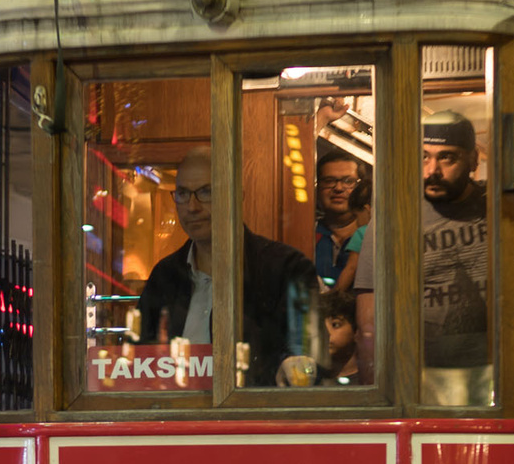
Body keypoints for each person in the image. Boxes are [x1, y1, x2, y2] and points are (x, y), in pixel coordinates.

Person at [135, 144, 321, 388]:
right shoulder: (164, 276)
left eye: (206, 192)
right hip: (175, 423)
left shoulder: (288, 268)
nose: (192, 207)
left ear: (237, 194)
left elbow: (310, 357)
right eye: (182, 193)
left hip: (256, 422)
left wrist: (296, 365)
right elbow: (137, 362)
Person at [418, 109, 493, 403]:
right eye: (424, 156)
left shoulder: (502, 212)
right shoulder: (395, 213)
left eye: (446, 157)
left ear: (473, 160)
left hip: (490, 376)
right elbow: (370, 309)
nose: (432, 170)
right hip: (420, 379)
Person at [311, 149, 370, 291]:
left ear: (361, 188)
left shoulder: (372, 237)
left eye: (348, 181)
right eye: (329, 181)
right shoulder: (306, 234)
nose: (338, 188)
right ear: (317, 189)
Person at [314, 292, 362, 384]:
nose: (326, 332)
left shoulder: (369, 381)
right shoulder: (310, 379)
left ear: (356, 331)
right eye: (320, 325)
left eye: (335, 325)